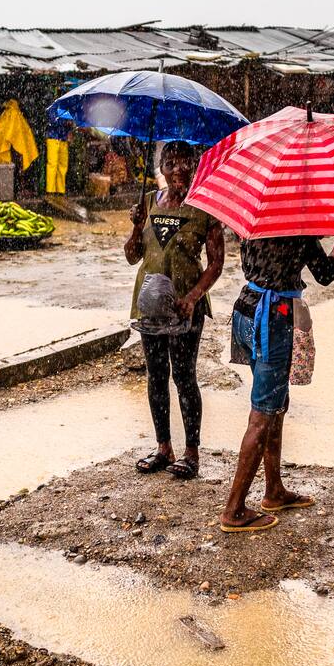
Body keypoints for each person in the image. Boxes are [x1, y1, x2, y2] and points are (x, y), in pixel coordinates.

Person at [220, 235, 334, 531]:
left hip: (245, 309)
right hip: (272, 318)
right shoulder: (300, 232)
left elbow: (255, 264)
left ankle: (274, 490)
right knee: (263, 413)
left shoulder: (253, 225)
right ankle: (234, 509)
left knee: (276, 403)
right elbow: (325, 275)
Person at [124, 141, 225, 479]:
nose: (179, 168)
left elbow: (216, 264)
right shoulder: (149, 203)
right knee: (156, 376)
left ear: (195, 167)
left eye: (186, 162)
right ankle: (163, 447)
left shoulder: (204, 209)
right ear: (162, 169)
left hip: (185, 306)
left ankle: (191, 451)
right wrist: (137, 225)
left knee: (184, 376)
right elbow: (131, 256)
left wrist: (194, 296)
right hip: (149, 304)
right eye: (172, 162)